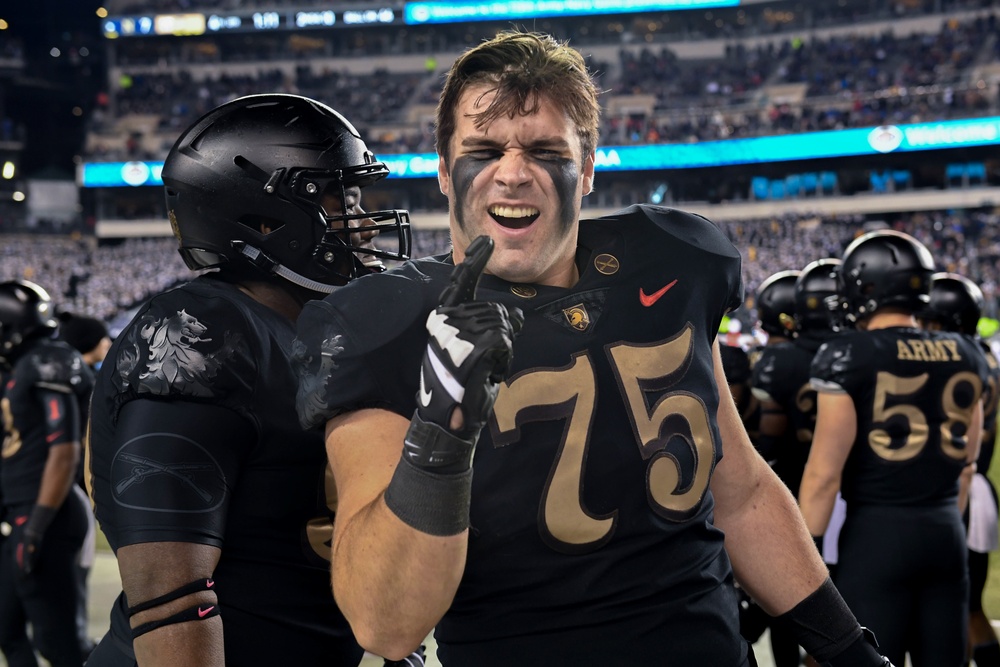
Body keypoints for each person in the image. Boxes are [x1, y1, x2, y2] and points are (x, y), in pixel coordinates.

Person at [293, 30, 892, 666]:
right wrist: (440, 434)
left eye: (546, 150)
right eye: (484, 149)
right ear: (443, 170)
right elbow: (385, 625)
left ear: (587, 170)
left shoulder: (674, 262)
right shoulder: (384, 321)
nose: (514, 172)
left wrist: (846, 647)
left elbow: (739, 489)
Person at [85, 93, 413, 667]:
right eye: (341, 200)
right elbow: (170, 596)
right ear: (265, 220)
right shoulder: (202, 331)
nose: (360, 223)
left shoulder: (301, 331)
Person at [799, 231, 988, 667]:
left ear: (864, 288)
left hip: (877, 536)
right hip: (945, 533)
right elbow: (966, 464)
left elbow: (824, 475)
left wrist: (806, 556)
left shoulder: (848, 353)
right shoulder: (967, 352)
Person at [0, 280, 95, 667]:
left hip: (47, 514)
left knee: (59, 646)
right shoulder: (19, 367)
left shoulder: (47, 360)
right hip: (20, 513)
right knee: (6, 628)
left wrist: (36, 526)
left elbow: (65, 449)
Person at [917, 272, 1000, 667]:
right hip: (978, 488)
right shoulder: (983, 355)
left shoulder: (954, 360)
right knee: (968, 610)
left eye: (928, 321)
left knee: (948, 610)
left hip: (955, 491)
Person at [58, 311, 113, 660]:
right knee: (74, 571)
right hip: (73, 489)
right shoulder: (83, 380)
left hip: (45, 488)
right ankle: (73, 643)